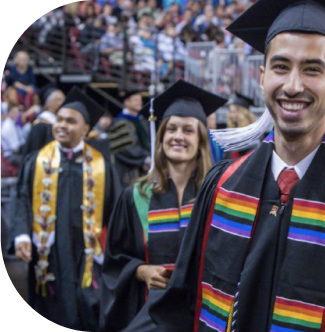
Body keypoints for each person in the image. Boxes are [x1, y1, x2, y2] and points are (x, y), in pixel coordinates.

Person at [137, 1, 325, 332]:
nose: (292, 85)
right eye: (280, 67)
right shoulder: (221, 186)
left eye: (312, 69)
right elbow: (184, 306)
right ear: (262, 78)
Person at [100, 80, 227, 332]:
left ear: (201, 139)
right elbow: (114, 260)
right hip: (150, 316)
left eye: (188, 130)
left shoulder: (218, 195)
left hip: (204, 317)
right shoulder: (135, 197)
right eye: (171, 129)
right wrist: (140, 271)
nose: (178, 136)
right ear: (161, 137)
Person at [8, 86, 121, 332]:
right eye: (59, 119)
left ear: (85, 129)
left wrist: (107, 247)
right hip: (49, 253)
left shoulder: (102, 167)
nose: (62, 125)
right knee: (50, 307)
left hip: (88, 256)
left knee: (88, 310)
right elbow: (22, 199)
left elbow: (115, 212)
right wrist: (22, 235)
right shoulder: (37, 162)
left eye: (71, 121)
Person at [110, 90, 151, 187]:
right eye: (136, 100)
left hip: (144, 168)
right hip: (127, 169)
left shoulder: (142, 121)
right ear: (126, 102)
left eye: (140, 100)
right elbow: (125, 147)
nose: (139, 102)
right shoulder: (120, 122)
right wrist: (145, 158)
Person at [21, 83, 66, 158]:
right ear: (48, 103)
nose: (63, 103)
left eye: (64, 99)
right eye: (59, 100)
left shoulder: (57, 121)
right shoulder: (41, 123)